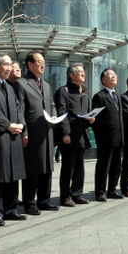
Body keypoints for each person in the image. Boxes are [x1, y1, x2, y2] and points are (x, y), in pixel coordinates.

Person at [0, 53, 27, 226]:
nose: (9, 68)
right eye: (6, 64)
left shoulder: (9, 86)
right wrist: (8, 125)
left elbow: (19, 108)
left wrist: (21, 125)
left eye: (11, 65)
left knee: (13, 174)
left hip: (13, 136)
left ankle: (11, 209)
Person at [14, 51, 58, 215]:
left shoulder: (46, 85)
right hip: (32, 133)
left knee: (47, 167)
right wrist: (23, 130)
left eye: (43, 61)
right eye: (38, 61)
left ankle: (44, 200)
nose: (42, 64)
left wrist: (54, 114)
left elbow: (52, 104)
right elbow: (20, 109)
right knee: (32, 169)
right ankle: (29, 202)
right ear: (29, 64)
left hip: (47, 131)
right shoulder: (21, 83)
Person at [55, 63, 95, 206]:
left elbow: (88, 111)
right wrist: (65, 133)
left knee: (80, 167)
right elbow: (62, 113)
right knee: (68, 167)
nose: (83, 74)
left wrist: (91, 118)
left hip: (82, 135)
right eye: (80, 72)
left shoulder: (84, 92)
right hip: (70, 135)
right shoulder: (63, 91)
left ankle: (77, 194)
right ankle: (65, 197)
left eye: (83, 71)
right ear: (72, 75)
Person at [91, 68, 124, 201]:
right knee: (103, 166)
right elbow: (95, 120)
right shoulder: (99, 96)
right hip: (105, 139)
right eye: (110, 75)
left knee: (116, 166)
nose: (114, 76)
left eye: (115, 74)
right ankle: (99, 191)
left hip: (119, 138)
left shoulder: (118, 97)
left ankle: (112, 189)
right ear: (103, 79)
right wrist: (100, 137)